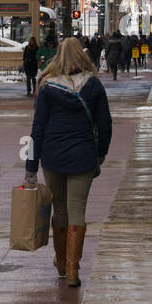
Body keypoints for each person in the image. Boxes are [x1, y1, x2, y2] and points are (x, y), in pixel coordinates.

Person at [24, 37, 112, 288]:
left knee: (59, 209)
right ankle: (73, 270)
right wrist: (101, 153)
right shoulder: (93, 85)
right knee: (77, 210)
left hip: (52, 156)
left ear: (57, 58)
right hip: (83, 156)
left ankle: (62, 261)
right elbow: (105, 124)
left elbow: (37, 129)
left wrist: (31, 167)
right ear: (82, 56)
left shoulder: (47, 87)